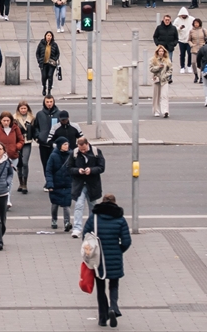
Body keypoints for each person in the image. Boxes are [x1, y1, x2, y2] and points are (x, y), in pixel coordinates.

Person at [86, 193, 132, 327]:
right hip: (114, 257)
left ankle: (102, 317)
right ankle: (113, 307)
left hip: (97, 258)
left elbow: (86, 236)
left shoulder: (94, 218)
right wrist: (119, 250)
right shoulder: (120, 219)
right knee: (114, 284)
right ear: (115, 203)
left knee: (100, 288)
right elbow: (127, 241)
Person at [68, 136, 105, 238]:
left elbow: (102, 167)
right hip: (79, 184)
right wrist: (78, 170)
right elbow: (69, 168)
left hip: (92, 184)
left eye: (84, 149)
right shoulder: (75, 153)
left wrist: (91, 170)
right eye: (81, 149)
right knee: (79, 205)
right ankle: (77, 228)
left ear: (87, 144)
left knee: (92, 206)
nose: (83, 151)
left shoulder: (96, 152)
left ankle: (92, 227)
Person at [43, 137, 74, 231]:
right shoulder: (53, 156)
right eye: (64, 144)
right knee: (55, 204)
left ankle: (67, 222)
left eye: (67, 144)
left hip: (67, 184)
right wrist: (50, 184)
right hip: (56, 185)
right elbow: (48, 171)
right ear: (60, 145)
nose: (67, 146)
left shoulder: (71, 155)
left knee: (66, 205)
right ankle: (54, 220)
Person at [13, 102, 36, 194]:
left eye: (25, 108)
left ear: (28, 109)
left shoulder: (32, 118)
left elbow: (35, 129)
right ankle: (20, 183)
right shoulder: (14, 118)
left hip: (27, 141)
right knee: (19, 163)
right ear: (18, 109)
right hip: (18, 142)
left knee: (25, 162)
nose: (23, 110)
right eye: (21, 108)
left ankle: (25, 183)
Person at [34, 95, 60, 174]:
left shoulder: (58, 113)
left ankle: (54, 182)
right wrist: (38, 137)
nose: (49, 104)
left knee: (55, 165)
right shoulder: (40, 114)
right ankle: (48, 182)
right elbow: (35, 127)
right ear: (44, 103)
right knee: (45, 164)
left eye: (51, 102)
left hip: (55, 144)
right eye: (47, 102)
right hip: (43, 144)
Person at [149, 46, 172, 118]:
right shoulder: (153, 60)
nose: (161, 52)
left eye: (162, 51)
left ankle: (165, 111)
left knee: (164, 95)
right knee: (156, 96)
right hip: (157, 79)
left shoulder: (167, 60)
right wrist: (158, 67)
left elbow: (170, 70)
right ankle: (156, 111)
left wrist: (166, 75)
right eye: (160, 51)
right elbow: (151, 69)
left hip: (164, 80)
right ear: (157, 52)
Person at [35, 31, 61, 96]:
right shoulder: (41, 44)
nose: (49, 37)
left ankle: (49, 90)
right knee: (44, 76)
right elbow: (37, 53)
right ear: (45, 36)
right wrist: (39, 60)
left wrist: (55, 59)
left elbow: (57, 53)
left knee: (50, 75)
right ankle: (44, 87)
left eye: (50, 36)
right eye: (48, 35)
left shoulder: (54, 44)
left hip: (51, 64)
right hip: (43, 63)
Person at [171, 7, 195, 73]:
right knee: (182, 54)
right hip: (181, 40)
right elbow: (174, 28)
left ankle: (189, 66)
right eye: (182, 15)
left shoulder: (192, 19)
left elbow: (195, 26)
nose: (183, 16)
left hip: (189, 40)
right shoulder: (177, 20)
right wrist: (179, 28)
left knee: (190, 53)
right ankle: (182, 67)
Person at [188, 18, 206, 84]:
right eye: (195, 23)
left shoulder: (203, 30)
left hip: (202, 49)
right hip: (194, 49)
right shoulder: (191, 31)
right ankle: (196, 75)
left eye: (197, 23)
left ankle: (201, 77)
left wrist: (205, 45)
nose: (196, 24)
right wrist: (191, 44)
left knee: (201, 63)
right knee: (193, 62)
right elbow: (189, 40)